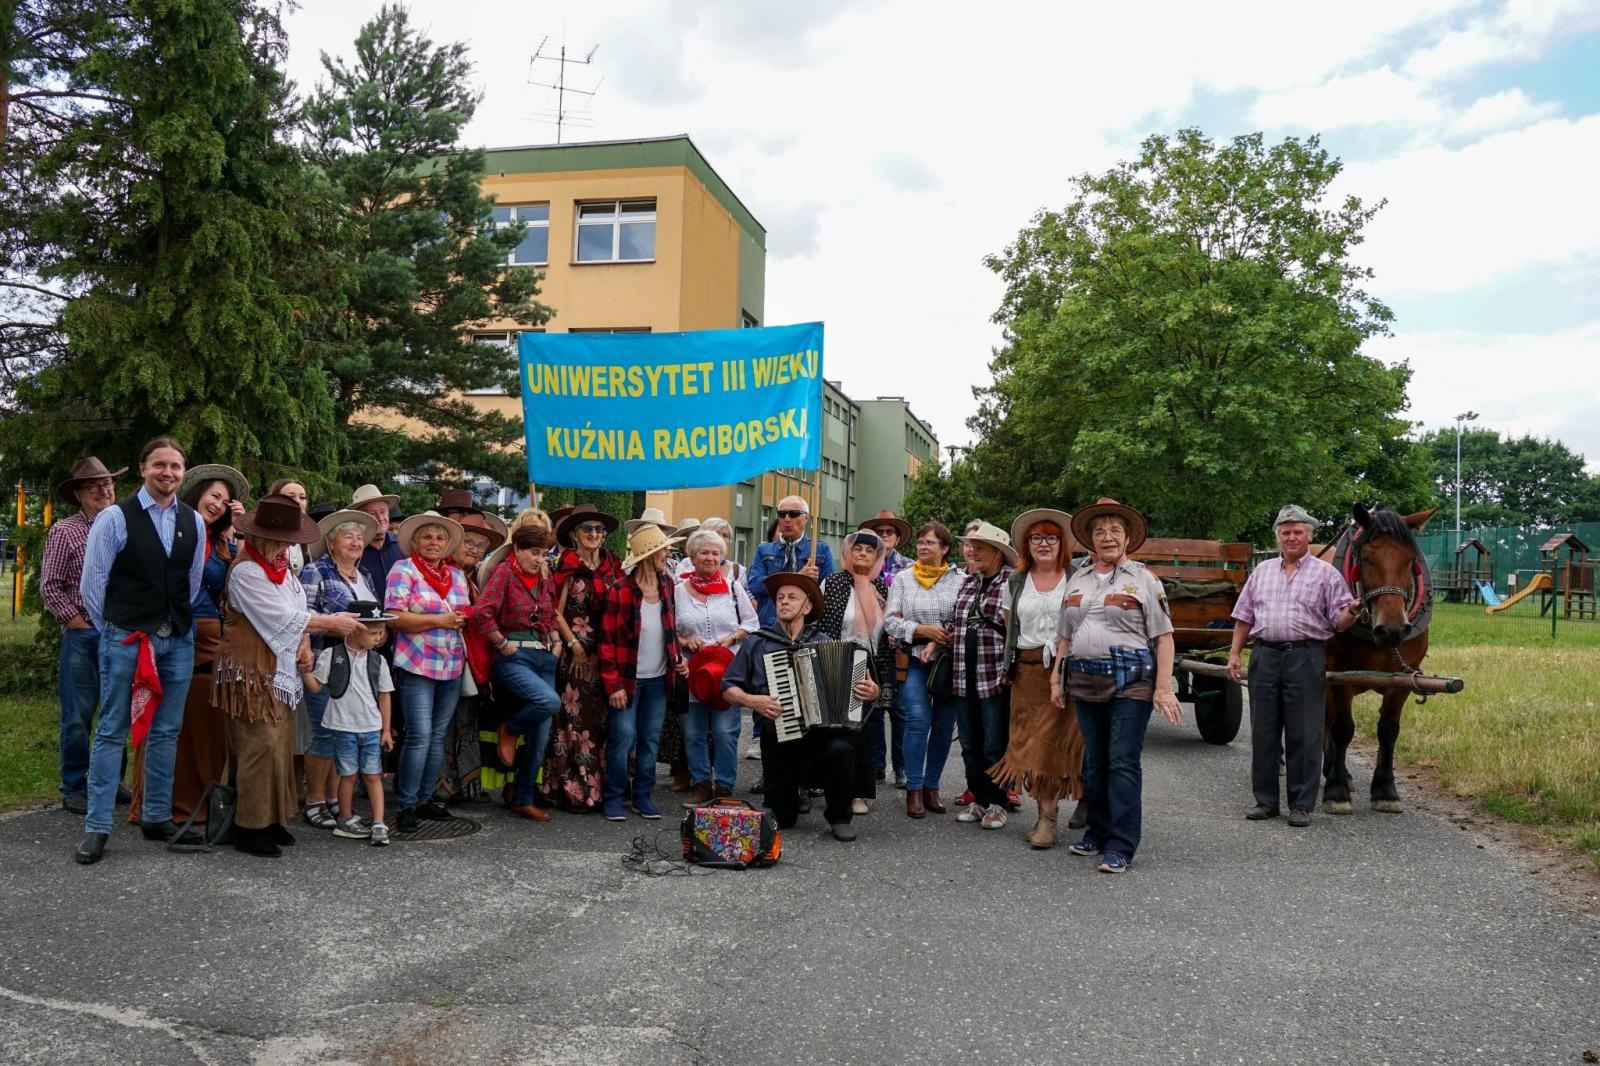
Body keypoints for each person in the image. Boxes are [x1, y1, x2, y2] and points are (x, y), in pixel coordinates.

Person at [74, 437, 208, 864]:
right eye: (159, 465)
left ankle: (155, 816)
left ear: (183, 472)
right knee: (112, 730)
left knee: (166, 730)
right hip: (127, 637)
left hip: (177, 640)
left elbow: (190, 580)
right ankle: (97, 827)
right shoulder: (115, 517)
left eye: (175, 466)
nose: (168, 472)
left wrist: (171, 623)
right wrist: (115, 627)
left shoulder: (194, 521)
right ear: (143, 468)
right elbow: (92, 584)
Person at [1054, 499, 1181, 874]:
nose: (1107, 537)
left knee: (1122, 762)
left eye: (1114, 530)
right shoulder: (1076, 579)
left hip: (1131, 682)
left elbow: (1164, 637)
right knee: (1094, 763)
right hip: (1083, 679)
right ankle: (1098, 830)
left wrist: (1163, 688)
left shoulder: (1144, 579)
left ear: (1127, 538)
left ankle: (1121, 844)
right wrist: (1056, 679)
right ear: (1090, 540)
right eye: (1099, 531)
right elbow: (1064, 635)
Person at [1226, 503, 1362, 827]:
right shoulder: (1261, 572)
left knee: (1304, 733)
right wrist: (1234, 654)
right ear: (1278, 537)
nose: (1291, 537)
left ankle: (1301, 805)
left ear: (1309, 535)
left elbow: (1338, 620)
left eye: (1298, 532)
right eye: (1285, 532)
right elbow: (1244, 617)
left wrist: (1353, 611)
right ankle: (1266, 801)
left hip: (1305, 656)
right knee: (1263, 731)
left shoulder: (1326, 574)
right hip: (1265, 657)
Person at [127, 463, 246, 827]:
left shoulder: (222, 540)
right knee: (177, 721)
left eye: (226, 501)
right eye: (214, 496)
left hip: (217, 639)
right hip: (184, 633)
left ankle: (200, 799)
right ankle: (167, 803)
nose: (219, 504)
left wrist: (237, 533)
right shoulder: (178, 531)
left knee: (205, 720)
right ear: (198, 494)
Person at [722, 572, 881, 842]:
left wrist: (871, 691)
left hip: (821, 737)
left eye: (792, 597)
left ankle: (840, 816)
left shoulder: (824, 642)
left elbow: (858, 691)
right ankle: (791, 796)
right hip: (778, 739)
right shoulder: (757, 641)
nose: (784, 602)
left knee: (842, 748)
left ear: (807, 607)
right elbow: (728, 688)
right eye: (780, 598)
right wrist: (752, 700)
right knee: (782, 819)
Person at [213, 493, 323, 858]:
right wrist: (333, 624)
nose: (289, 547)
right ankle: (249, 826)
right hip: (251, 670)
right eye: (284, 540)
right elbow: (281, 619)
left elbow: (299, 612)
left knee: (277, 745)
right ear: (264, 538)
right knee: (257, 745)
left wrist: (306, 643)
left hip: (278, 669)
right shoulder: (247, 572)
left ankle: (272, 818)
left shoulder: (281, 571)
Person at [989, 507, 1082, 849]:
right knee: (1033, 747)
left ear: (1062, 544)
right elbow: (1008, 624)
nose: (1044, 543)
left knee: (1057, 747)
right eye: (1036, 538)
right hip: (1027, 673)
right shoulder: (1015, 581)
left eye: (1051, 537)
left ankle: (1048, 819)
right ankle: (1047, 813)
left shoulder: (1078, 576)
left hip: (1066, 670)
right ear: (1028, 545)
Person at [42, 456, 126, 815]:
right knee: (78, 715)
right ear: (79, 494)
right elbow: (50, 585)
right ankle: (74, 785)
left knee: (116, 711)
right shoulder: (65, 531)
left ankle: (110, 780)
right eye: (94, 487)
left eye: (107, 485)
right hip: (83, 636)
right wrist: (74, 620)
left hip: (119, 632)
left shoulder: (125, 527)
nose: (103, 491)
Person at [385, 512, 470, 831]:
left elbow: (462, 614)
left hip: (451, 664)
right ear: (415, 542)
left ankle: (424, 799)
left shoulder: (456, 576)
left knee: (436, 736)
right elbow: (393, 617)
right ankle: (406, 804)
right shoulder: (403, 570)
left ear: (447, 544)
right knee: (420, 735)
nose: (434, 542)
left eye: (439, 537)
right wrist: (439, 621)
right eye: (427, 537)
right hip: (417, 664)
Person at [474, 521, 563, 823]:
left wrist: (557, 640)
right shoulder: (505, 573)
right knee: (549, 702)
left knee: (540, 737)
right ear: (517, 550)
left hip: (544, 656)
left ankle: (522, 798)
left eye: (544, 553)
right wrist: (500, 642)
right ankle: (510, 729)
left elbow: (549, 613)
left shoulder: (544, 577)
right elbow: (482, 611)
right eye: (534, 552)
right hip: (514, 657)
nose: (539, 559)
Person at [598, 523, 686, 821]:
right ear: (649, 555)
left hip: (659, 681)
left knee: (650, 738)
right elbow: (607, 643)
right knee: (623, 735)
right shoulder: (620, 591)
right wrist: (613, 686)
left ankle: (643, 796)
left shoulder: (668, 585)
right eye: (664, 549)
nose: (669, 553)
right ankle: (613, 796)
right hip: (627, 680)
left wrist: (678, 658)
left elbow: (669, 630)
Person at [298, 508, 378, 827]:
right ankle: (314, 800)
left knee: (342, 733)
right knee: (323, 733)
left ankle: (333, 798)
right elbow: (301, 619)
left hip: (356, 667)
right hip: (322, 661)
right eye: (348, 536)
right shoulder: (316, 571)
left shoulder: (365, 576)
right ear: (331, 543)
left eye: (360, 538)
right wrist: (335, 627)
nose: (356, 542)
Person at [544, 503, 624, 811]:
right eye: (587, 529)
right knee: (576, 721)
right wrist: (573, 643)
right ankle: (574, 790)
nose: (594, 534)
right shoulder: (564, 563)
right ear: (574, 534)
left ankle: (602, 790)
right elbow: (554, 609)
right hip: (576, 655)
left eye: (598, 529)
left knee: (602, 722)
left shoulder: (612, 564)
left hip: (607, 655)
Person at [884, 520, 964, 818]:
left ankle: (932, 788)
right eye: (920, 542)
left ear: (945, 549)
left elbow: (964, 618)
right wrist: (923, 630)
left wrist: (941, 636)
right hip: (914, 661)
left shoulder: (961, 579)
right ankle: (914, 789)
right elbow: (890, 620)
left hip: (948, 663)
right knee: (917, 720)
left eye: (930, 543)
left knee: (944, 726)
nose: (923, 547)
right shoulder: (903, 579)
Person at [675, 528, 758, 804]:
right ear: (692, 556)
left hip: (726, 670)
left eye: (716, 553)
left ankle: (723, 786)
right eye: (704, 552)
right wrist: (686, 640)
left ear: (722, 557)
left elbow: (752, 624)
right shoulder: (677, 592)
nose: (710, 558)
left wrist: (732, 637)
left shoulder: (733, 589)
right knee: (693, 731)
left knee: (725, 731)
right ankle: (701, 783)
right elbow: (668, 629)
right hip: (691, 672)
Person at [303, 600, 395, 846]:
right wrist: (303, 670)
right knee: (349, 775)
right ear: (354, 629)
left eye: (382, 632)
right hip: (343, 727)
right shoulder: (332, 656)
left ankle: (378, 822)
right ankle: (345, 819)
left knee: (373, 775)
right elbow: (315, 687)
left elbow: (385, 696)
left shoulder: (378, 662)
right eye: (374, 632)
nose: (379, 638)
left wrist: (386, 729)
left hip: (371, 728)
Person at [947, 521, 1018, 831]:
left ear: (998, 553)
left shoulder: (1011, 582)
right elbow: (956, 623)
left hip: (995, 677)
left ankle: (997, 803)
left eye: (979, 548)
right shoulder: (968, 582)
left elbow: (1017, 630)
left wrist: (1012, 669)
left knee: (994, 745)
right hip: (963, 676)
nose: (972, 552)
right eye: (970, 546)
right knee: (970, 745)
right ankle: (978, 798)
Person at [816, 530, 892, 815]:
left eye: (869, 551)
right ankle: (833, 787)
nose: (862, 554)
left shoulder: (882, 588)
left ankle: (858, 792)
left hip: (870, 664)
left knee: (865, 731)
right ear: (847, 553)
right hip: (837, 658)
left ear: (876, 557)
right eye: (857, 548)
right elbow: (821, 623)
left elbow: (886, 632)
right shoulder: (833, 583)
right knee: (834, 727)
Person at [857, 510, 914, 785]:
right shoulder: (863, 565)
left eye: (888, 532)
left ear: (897, 537)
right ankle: (878, 765)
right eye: (878, 532)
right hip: (871, 644)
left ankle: (901, 767)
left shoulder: (909, 567)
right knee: (875, 709)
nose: (883, 536)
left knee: (899, 709)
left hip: (899, 647)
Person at [746, 494, 835, 630]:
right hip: (770, 626)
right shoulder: (764, 550)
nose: (787, 519)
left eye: (794, 514)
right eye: (782, 514)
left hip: (806, 627)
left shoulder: (820, 550)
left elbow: (829, 592)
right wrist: (798, 577)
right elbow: (755, 585)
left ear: (806, 518)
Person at [350, 484, 404, 601]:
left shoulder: (402, 546)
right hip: (365, 618)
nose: (380, 518)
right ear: (360, 518)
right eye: (372, 514)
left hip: (404, 617)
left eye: (383, 512)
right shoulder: (351, 551)